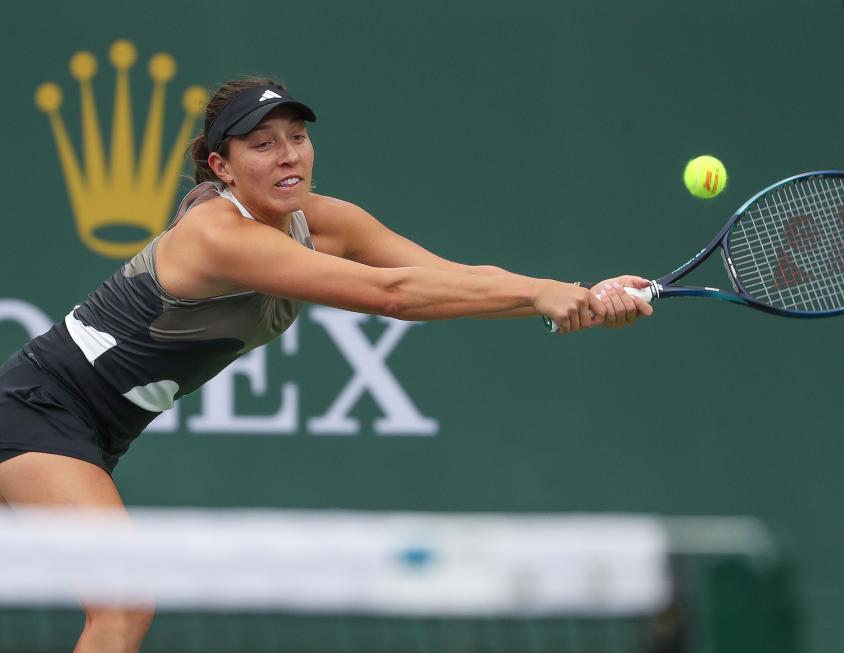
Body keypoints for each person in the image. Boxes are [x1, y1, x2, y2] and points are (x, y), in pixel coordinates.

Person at [0, 77, 652, 652]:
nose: (288, 155)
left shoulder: (326, 222)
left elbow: (448, 279)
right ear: (220, 168)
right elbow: (391, 295)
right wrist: (538, 294)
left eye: (296, 136)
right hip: (35, 410)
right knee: (125, 595)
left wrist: (578, 294)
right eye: (262, 144)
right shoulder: (216, 235)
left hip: (86, 433)